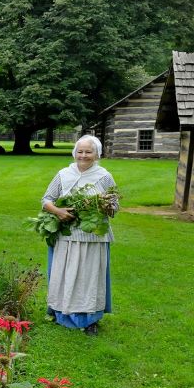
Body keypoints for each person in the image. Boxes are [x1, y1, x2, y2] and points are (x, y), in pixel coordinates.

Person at [41, 135, 119, 336]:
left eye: (88, 152)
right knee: (64, 273)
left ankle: (90, 318)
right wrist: (58, 211)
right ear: (74, 152)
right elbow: (47, 199)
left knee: (88, 277)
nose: (83, 155)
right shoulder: (63, 174)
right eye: (80, 151)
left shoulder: (104, 177)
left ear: (97, 154)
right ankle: (60, 313)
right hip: (66, 234)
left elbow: (115, 207)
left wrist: (106, 206)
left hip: (93, 236)